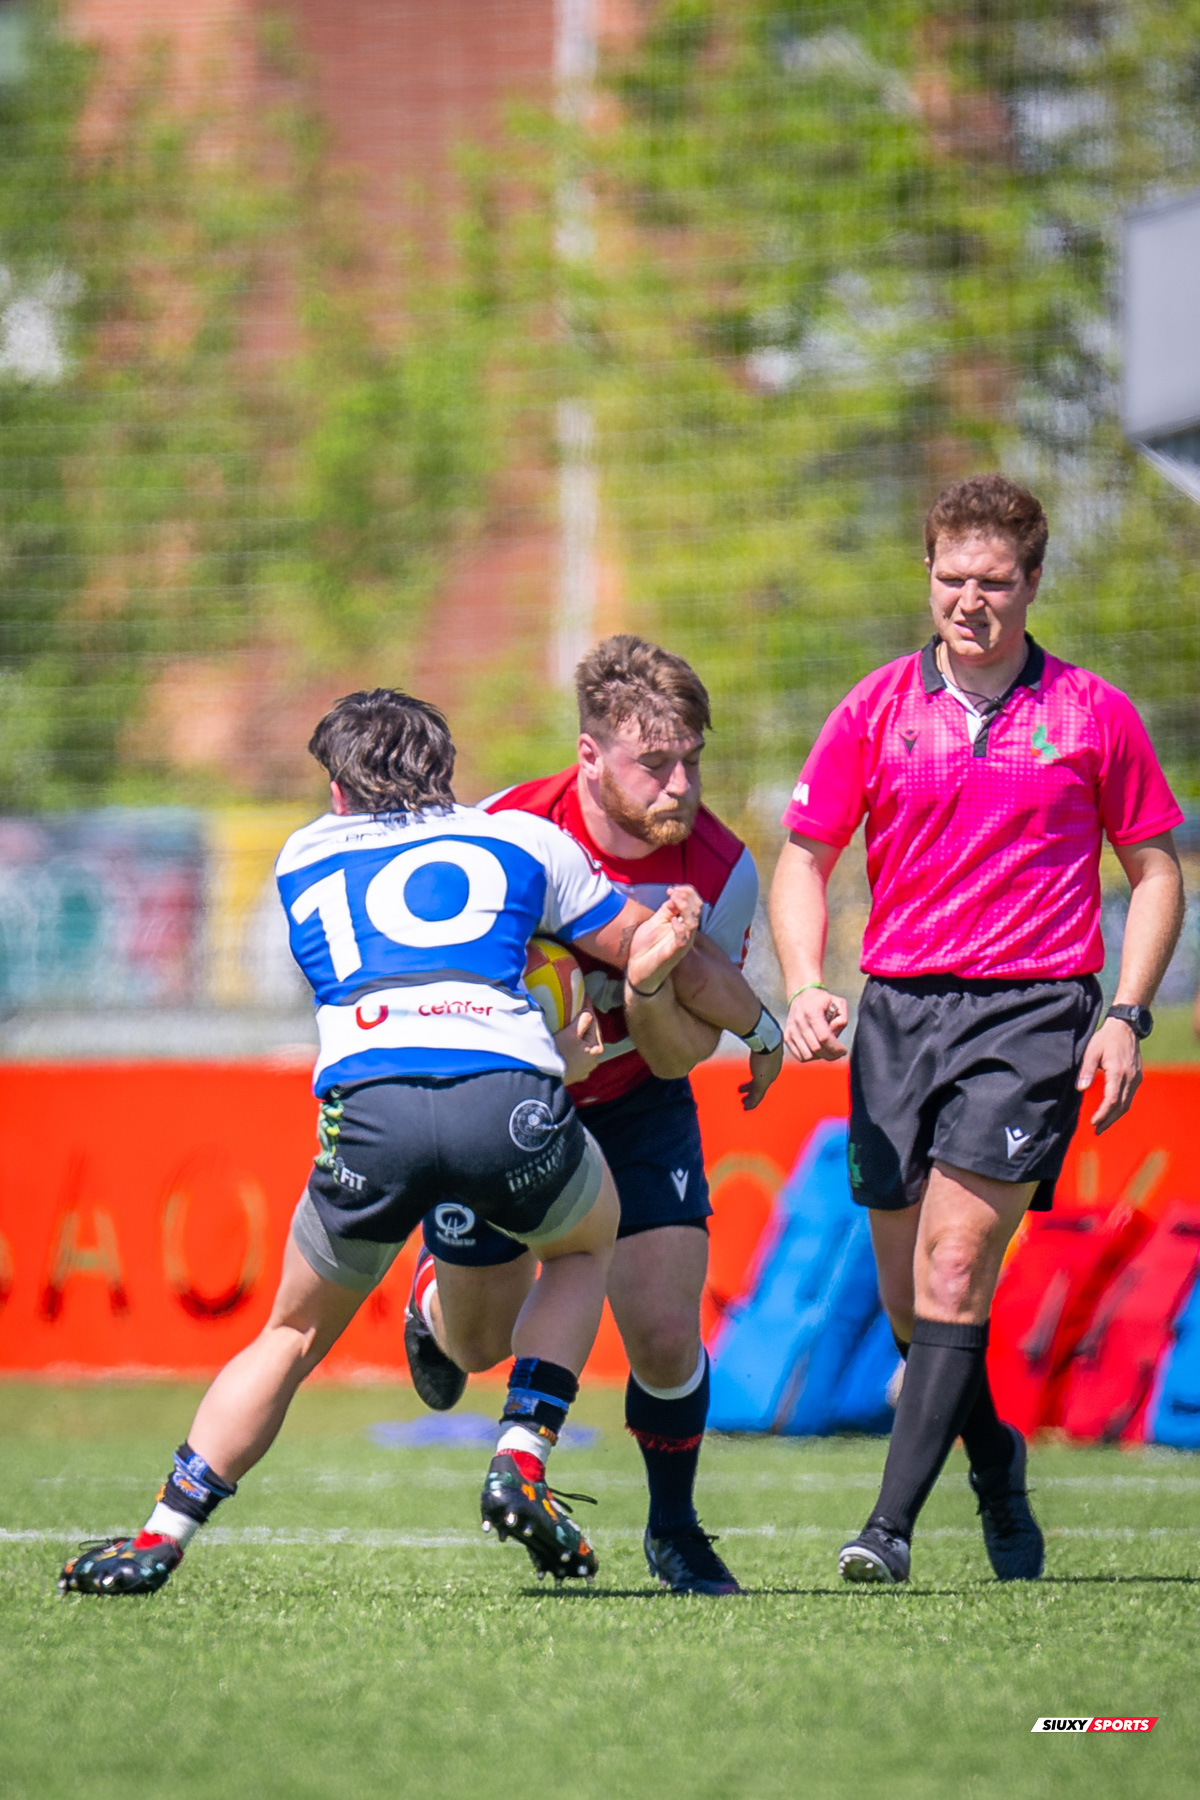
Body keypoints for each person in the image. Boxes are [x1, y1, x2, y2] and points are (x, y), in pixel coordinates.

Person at [59, 687, 705, 1596]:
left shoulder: (302, 854)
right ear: (444, 769)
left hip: (370, 1113)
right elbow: (643, 946)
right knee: (588, 1242)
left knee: (287, 1333)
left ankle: (161, 1533)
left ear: (338, 789)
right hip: (507, 1096)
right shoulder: (521, 838)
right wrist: (697, 955)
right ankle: (521, 1451)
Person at [769, 473, 1185, 1585]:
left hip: (1033, 1013)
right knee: (916, 1312)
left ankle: (886, 1533)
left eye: (995, 583)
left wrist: (1127, 1015)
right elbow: (805, 856)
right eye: (952, 579)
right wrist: (807, 981)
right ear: (929, 576)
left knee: (957, 1269)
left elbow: (1153, 872)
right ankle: (995, 1464)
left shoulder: (1093, 713)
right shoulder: (873, 708)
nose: (971, 601)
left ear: (1033, 583)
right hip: (898, 1014)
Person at [404, 635, 784, 1596]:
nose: (680, 784)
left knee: (663, 1329)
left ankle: (677, 1529)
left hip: (637, 1102)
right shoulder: (500, 831)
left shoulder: (724, 868)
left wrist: (650, 982)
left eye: (692, 759)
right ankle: (432, 1304)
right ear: (588, 757)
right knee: (478, 1345)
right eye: (654, 764)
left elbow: (676, 1055)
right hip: (507, 1102)